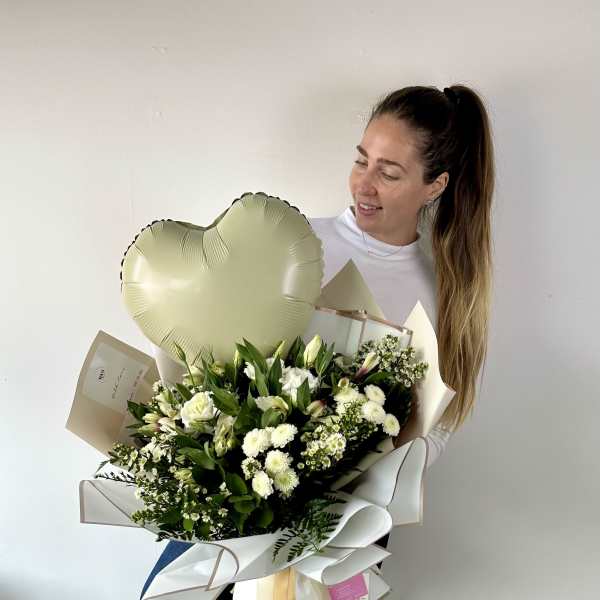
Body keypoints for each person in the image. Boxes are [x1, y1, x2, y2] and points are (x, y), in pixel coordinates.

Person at [140, 83, 496, 598]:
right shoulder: (294, 243)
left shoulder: (442, 297)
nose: (364, 184)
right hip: (232, 499)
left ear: (434, 185)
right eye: (361, 161)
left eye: (389, 173)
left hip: (339, 527)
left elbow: (438, 427)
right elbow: (213, 347)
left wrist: (359, 475)